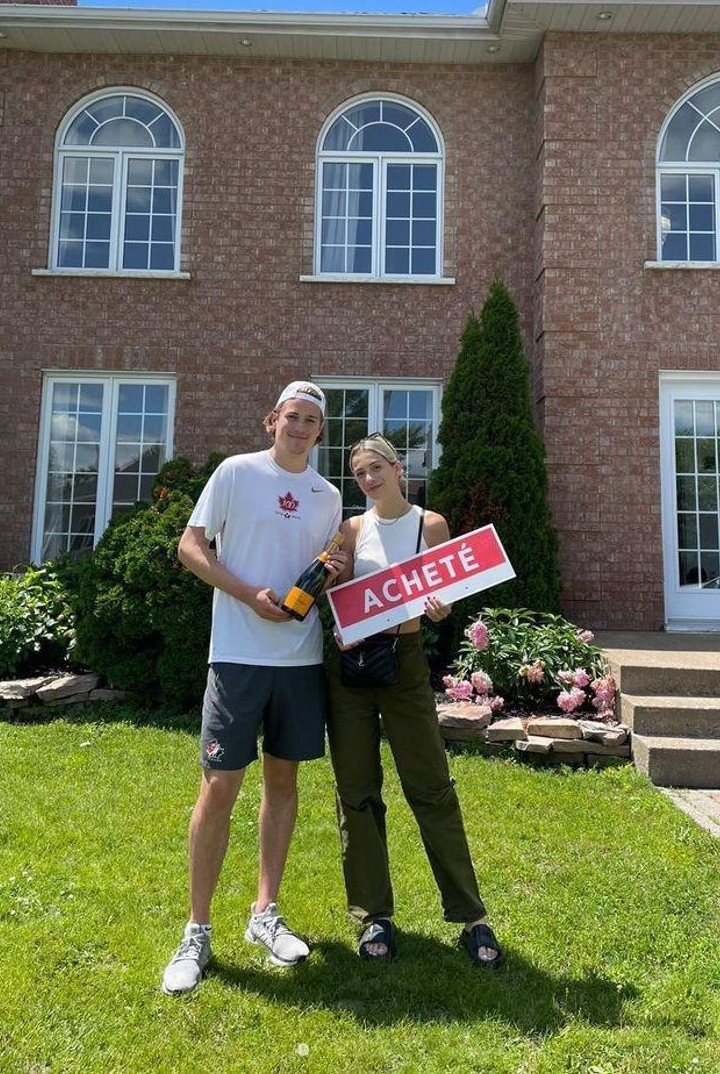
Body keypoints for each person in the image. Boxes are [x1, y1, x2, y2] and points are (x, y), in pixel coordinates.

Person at [161, 381, 347, 996]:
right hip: (238, 657)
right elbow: (191, 547)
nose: (301, 428)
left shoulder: (327, 497)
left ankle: (264, 914)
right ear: (272, 420)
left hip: (299, 659)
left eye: (312, 421)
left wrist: (335, 574)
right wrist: (247, 594)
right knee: (219, 790)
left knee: (284, 784)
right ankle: (197, 931)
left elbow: (326, 572)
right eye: (292, 417)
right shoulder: (236, 474)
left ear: (320, 433)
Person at [326, 433, 503, 966]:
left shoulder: (430, 524)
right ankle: (373, 915)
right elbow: (338, 598)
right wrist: (338, 621)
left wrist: (439, 608)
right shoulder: (351, 529)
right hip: (352, 670)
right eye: (359, 473)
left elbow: (443, 591)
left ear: (398, 467)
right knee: (356, 791)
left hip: (404, 662)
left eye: (376, 467)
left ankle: (471, 916)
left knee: (430, 787)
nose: (369, 479)